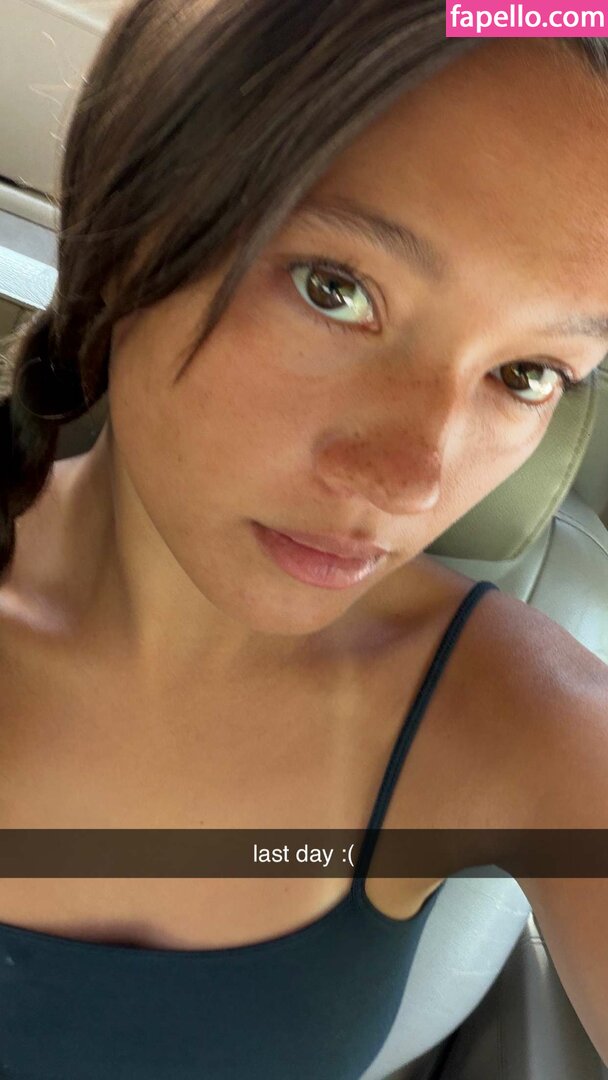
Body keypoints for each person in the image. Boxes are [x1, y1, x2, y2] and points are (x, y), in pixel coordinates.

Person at [0, 1, 607, 1075]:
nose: (412, 479)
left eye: (525, 374)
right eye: (336, 290)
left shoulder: (523, 721)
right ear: (128, 228)